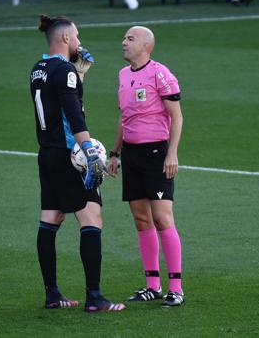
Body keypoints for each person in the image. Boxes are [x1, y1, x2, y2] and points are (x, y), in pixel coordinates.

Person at [29, 14, 125, 313]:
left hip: (47, 154)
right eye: (77, 36)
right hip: (71, 155)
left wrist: (79, 76)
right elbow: (73, 113)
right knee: (92, 218)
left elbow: (58, 102)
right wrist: (90, 151)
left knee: (51, 218)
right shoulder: (64, 70)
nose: (80, 42)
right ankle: (94, 297)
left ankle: (52, 294)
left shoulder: (38, 69)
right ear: (66, 38)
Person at [107, 26, 184, 307]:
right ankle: (152, 285)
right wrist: (114, 153)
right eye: (124, 38)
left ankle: (176, 287)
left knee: (163, 217)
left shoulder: (160, 73)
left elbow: (176, 117)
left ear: (146, 46)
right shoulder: (123, 75)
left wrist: (171, 153)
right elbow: (124, 118)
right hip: (132, 156)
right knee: (141, 220)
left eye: (130, 38)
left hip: (156, 154)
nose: (124, 42)